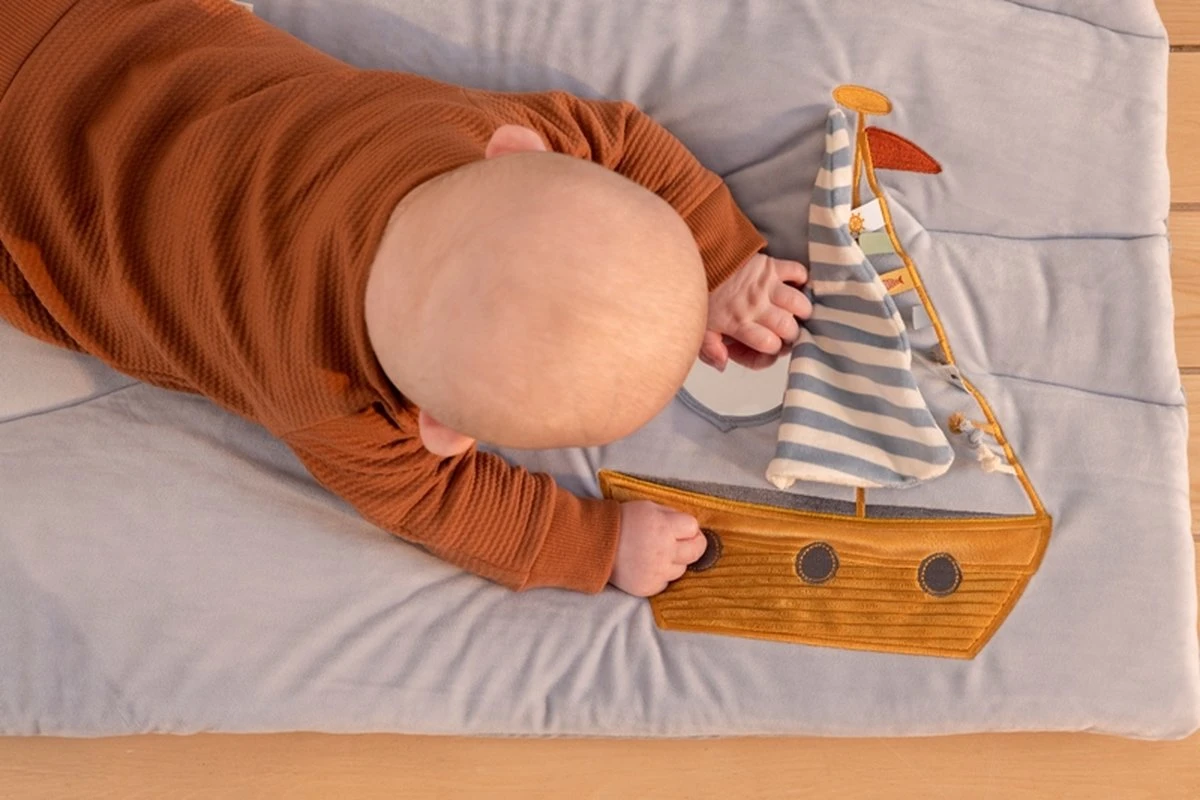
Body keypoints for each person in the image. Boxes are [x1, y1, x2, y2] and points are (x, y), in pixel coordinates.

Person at [0, 0, 812, 597]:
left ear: (517, 152)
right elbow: (448, 508)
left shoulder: (462, 130)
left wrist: (720, 258)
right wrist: (600, 546)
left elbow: (622, 140)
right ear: (439, 431)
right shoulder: (336, 409)